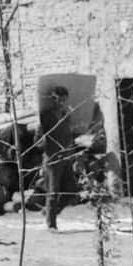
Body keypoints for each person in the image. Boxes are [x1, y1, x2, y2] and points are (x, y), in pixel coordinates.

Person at [39, 85, 75, 231]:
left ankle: (48, 212)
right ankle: (51, 225)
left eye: (63, 100)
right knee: (53, 192)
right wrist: (41, 141)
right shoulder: (46, 116)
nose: (60, 103)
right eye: (57, 99)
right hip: (52, 158)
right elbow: (38, 138)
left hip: (65, 157)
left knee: (72, 190)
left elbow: (68, 137)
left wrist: (70, 153)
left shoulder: (66, 116)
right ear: (53, 99)